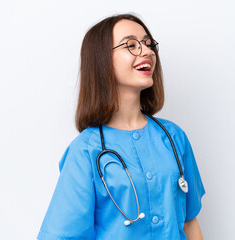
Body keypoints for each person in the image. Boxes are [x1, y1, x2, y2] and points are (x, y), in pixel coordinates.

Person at [37, 13, 205, 240]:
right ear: (101, 61)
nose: (146, 51)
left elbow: (190, 223)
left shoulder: (174, 137)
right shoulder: (86, 151)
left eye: (148, 44)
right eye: (131, 45)